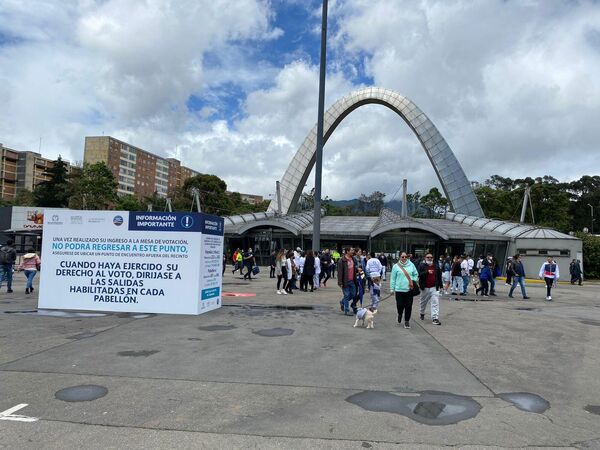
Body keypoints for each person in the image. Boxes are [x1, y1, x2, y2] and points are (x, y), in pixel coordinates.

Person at [390, 252, 419, 329]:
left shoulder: (411, 265)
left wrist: (412, 280)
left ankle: (407, 321)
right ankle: (400, 314)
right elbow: (393, 278)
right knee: (400, 305)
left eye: (406, 257)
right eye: (402, 257)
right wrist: (392, 289)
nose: (404, 258)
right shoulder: (395, 267)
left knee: (408, 306)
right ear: (399, 257)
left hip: (409, 289)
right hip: (399, 289)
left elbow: (416, 274)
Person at [417, 253, 442, 325]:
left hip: (434, 287)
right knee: (423, 302)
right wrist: (427, 272)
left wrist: (441, 286)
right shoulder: (421, 265)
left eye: (431, 257)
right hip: (425, 288)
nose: (430, 258)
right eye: (428, 257)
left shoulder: (436, 266)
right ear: (425, 258)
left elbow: (439, 277)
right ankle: (422, 313)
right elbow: (419, 275)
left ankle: (435, 318)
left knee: (435, 302)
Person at [337, 246, 357, 316]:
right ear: (347, 251)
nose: (353, 251)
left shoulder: (353, 259)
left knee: (353, 294)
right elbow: (339, 272)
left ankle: (342, 302)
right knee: (346, 295)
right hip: (345, 281)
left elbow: (354, 268)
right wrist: (340, 282)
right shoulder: (341, 260)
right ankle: (346, 310)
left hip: (352, 281)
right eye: (351, 250)